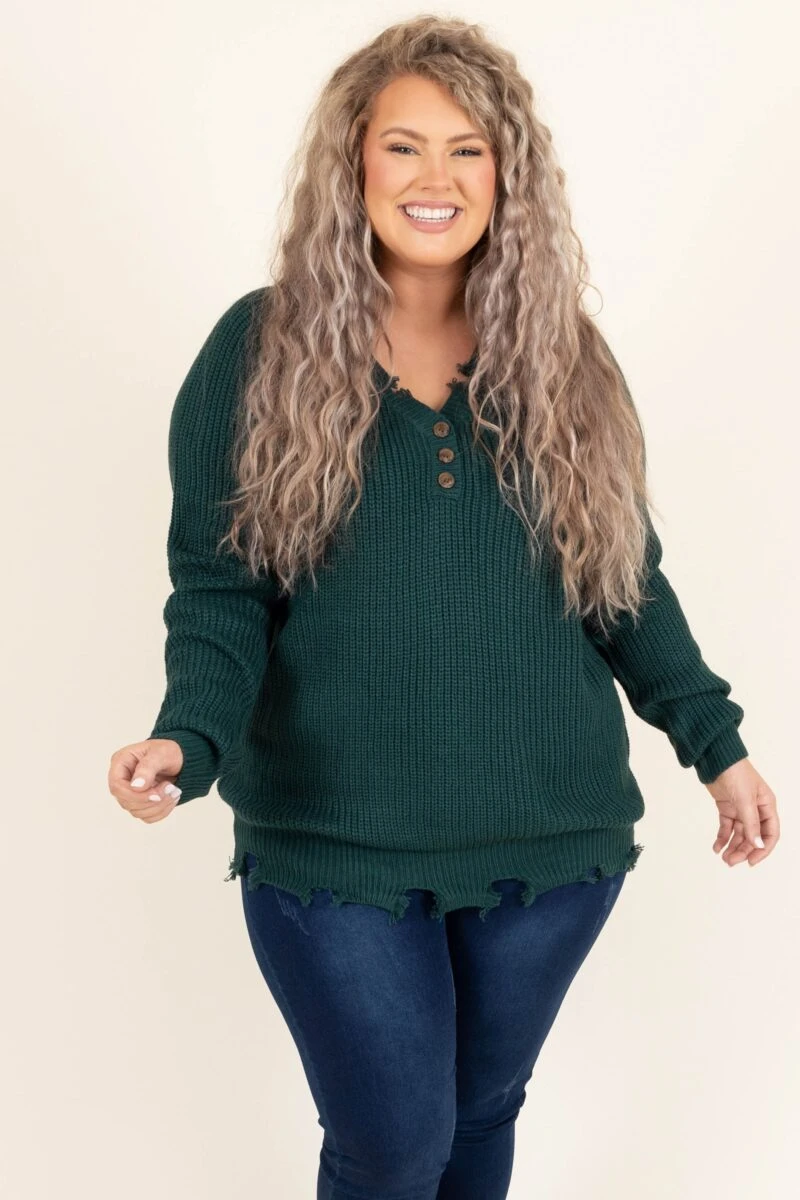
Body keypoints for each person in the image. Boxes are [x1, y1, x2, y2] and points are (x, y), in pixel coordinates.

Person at [108, 16, 779, 1200]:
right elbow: (219, 587)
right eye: (403, 145)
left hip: (550, 842)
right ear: (353, 163)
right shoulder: (257, 349)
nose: (436, 177)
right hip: (333, 840)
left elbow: (622, 581)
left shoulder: (564, 359)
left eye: (467, 149)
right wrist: (187, 738)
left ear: (506, 174)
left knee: (476, 1122)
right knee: (391, 1146)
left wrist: (714, 745)